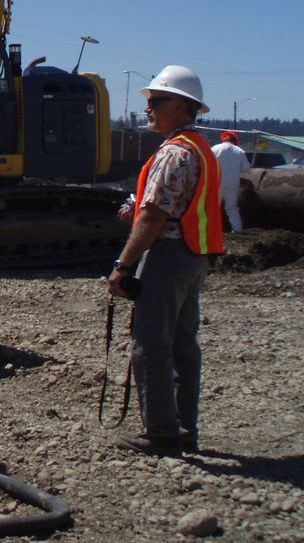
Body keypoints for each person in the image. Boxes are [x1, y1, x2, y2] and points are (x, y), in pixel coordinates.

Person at [109, 65, 223, 456]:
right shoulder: (202, 150)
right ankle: (183, 428)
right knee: (183, 346)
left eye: (156, 101)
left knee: (150, 346)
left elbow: (153, 215)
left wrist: (123, 265)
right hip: (194, 256)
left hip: (169, 257)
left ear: (180, 106)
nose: (148, 109)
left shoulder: (174, 153)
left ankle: (161, 433)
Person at [211, 131, 250, 232]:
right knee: (231, 207)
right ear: (234, 141)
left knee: (213, 206)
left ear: (224, 139)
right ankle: (237, 229)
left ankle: (210, 230)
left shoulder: (215, 148)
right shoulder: (239, 151)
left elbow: (207, 162)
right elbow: (246, 168)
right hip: (233, 183)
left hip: (217, 181)